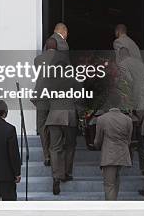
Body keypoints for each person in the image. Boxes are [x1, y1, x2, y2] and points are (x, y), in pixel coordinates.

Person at [45, 57, 81, 195]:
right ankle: (66, 172)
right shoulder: (73, 79)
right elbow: (79, 97)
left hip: (53, 116)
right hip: (69, 115)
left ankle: (56, 177)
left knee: (55, 148)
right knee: (70, 145)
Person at [94, 95, 133, 201]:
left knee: (109, 185)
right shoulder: (128, 120)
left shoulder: (101, 119)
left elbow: (97, 140)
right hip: (122, 154)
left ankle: (111, 210)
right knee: (116, 180)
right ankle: (115, 205)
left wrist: (97, 147)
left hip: (108, 155)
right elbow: (128, 140)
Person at [32, 38, 58, 167]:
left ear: (46, 47)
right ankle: (54, 155)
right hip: (55, 98)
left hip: (41, 96)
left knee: (42, 126)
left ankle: (46, 155)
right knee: (54, 126)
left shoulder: (38, 60)